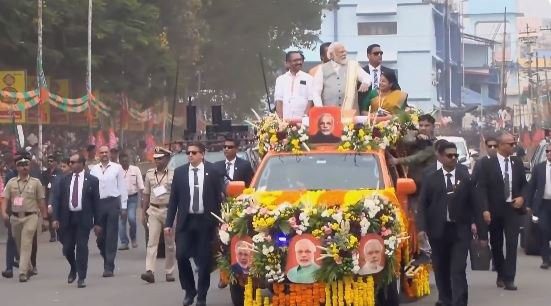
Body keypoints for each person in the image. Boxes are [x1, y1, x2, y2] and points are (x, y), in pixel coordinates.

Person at [418, 141, 486, 306]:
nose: (453, 158)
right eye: (449, 155)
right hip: (438, 231)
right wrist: (421, 229)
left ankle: (460, 301)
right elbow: (422, 205)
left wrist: (483, 234)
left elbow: (476, 206)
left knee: (458, 268)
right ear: (440, 157)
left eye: (455, 155)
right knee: (441, 267)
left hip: (460, 230)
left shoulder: (465, 177)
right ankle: (445, 299)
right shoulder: (430, 178)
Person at [164, 141, 224, 306]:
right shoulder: (180, 173)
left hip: (206, 222)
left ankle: (202, 296)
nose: (190, 155)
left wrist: (222, 221)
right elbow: (174, 199)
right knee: (181, 256)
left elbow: (220, 198)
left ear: (202, 154)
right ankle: (190, 290)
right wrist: (168, 223)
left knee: (204, 261)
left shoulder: (212, 171)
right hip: (186, 221)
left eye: (194, 152)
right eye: (188, 153)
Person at [477, 131, 528, 291]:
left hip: (513, 209)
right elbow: (482, 188)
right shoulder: (487, 163)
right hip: (494, 209)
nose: (514, 146)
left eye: (514, 143)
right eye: (511, 144)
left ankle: (509, 278)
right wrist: (485, 209)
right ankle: (500, 271)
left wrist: (522, 198)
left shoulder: (517, 162)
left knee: (512, 243)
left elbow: (525, 185)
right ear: (500, 145)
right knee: (497, 244)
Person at [51, 153, 100, 288]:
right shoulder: (64, 180)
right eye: (70, 162)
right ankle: (74, 267)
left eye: (74, 162)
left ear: (82, 164)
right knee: (67, 248)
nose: (71, 164)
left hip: (83, 218)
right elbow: (57, 200)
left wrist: (97, 222)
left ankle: (82, 277)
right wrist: (55, 218)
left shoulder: (92, 180)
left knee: (82, 247)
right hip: (67, 217)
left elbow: (96, 202)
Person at [1, 154, 48, 282]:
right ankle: (30, 267)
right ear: (17, 168)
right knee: (19, 245)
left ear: (30, 166)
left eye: (26, 165)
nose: (24, 168)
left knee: (26, 243)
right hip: (15, 218)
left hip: (31, 216)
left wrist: (44, 218)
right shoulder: (11, 183)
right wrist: (4, 213)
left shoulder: (36, 183)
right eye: (20, 166)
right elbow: (5, 199)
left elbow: (41, 201)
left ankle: (22, 273)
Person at [89, 145, 128, 277]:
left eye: (106, 152)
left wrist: (123, 206)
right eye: (102, 152)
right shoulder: (93, 170)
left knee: (111, 235)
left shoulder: (117, 168)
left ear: (109, 154)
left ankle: (109, 266)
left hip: (113, 203)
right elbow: (91, 190)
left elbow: (122, 188)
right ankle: (106, 257)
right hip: (99, 204)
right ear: (98, 155)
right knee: (100, 238)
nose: (104, 154)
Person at [140, 147, 176, 284]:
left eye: (160, 158)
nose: (157, 161)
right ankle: (150, 271)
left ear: (167, 159)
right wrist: (143, 213)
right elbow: (146, 194)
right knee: (152, 242)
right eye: (155, 158)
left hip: (169, 211)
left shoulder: (174, 174)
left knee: (170, 244)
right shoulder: (149, 174)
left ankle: (169, 271)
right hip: (154, 210)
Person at [313, 42, 371, 112]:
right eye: (341, 52)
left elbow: (367, 77)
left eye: (345, 51)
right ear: (331, 55)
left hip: (350, 114)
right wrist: (320, 110)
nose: (344, 54)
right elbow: (316, 93)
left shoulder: (353, 65)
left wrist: (365, 82)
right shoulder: (322, 69)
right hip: (329, 116)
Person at [525, 143, 551, 269]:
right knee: (544, 230)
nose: (549, 153)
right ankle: (546, 259)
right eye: (547, 151)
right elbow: (531, 187)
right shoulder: (539, 168)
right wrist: (528, 204)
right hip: (543, 205)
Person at [274, 51, 314, 120]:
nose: (299, 62)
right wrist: (280, 120)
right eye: (295, 60)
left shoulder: (309, 78)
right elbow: (279, 100)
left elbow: (311, 100)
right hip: (285, 121)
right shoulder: (280, 79)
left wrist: (304, 118)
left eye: (300, 60)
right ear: (287, 63)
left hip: (303, 122)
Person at [358, 44, 399, 110]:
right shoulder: (360, 72)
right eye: (376, 53)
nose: (379, 55)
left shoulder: (389, 72)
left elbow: (397, 91)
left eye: (381, 53)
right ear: (368, 56)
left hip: (386, 110)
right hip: (364, 112)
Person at [118, 152, 144, 250]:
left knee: (132, 218)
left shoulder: (135, 169)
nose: (125, 162)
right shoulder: (117, 170)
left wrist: (142, 198)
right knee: (122, 220)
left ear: (129, 160)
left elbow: (141, 185)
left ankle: (133, 238)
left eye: (126, 160)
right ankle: (124, 242)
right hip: (120, 199)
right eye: (123, 161)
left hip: (133, 198)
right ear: (119, 161)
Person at [41, 154, 62, 242]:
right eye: (48, 161)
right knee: (49, 216)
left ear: (55, 162)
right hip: (47, 195)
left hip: (57, 195)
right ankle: (52, 235)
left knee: (57, 214)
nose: (50, 163)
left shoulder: (59, 172)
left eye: (51, 161)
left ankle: (59, 233)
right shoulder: (45, 173)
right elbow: (43, 185)